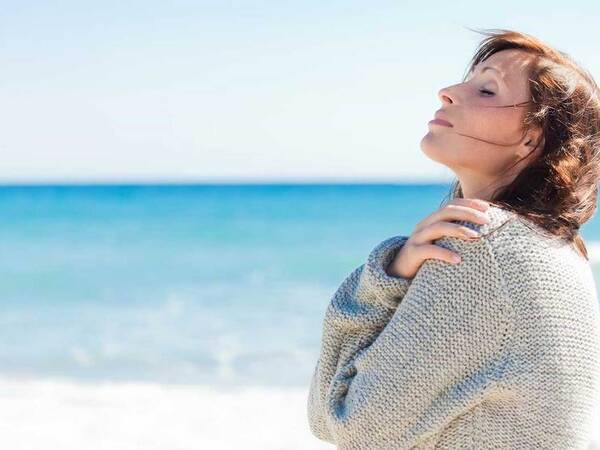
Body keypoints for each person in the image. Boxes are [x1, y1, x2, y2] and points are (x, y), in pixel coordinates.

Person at [306, 28, 600, 449]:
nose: (447, 92)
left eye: (486, 90)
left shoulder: (484, 248)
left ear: (531, 139)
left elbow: (345, 422)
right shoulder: (559, 248)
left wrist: (378, 286)